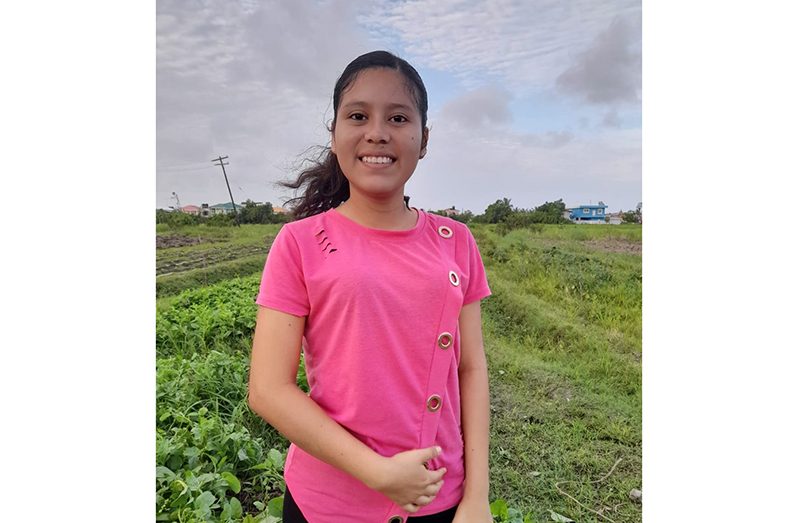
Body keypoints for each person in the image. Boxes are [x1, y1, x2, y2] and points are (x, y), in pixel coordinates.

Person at [248, 50, 493, 523]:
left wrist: (477, 495)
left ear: (423, 140)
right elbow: (268, 389)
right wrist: (378, 472)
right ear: (335, 135)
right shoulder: (299, 243)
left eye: (398, 117)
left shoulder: (456, 241)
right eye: (358, 115)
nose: (377, 131)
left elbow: (471, 369)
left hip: (437, 496)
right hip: (328, 503)